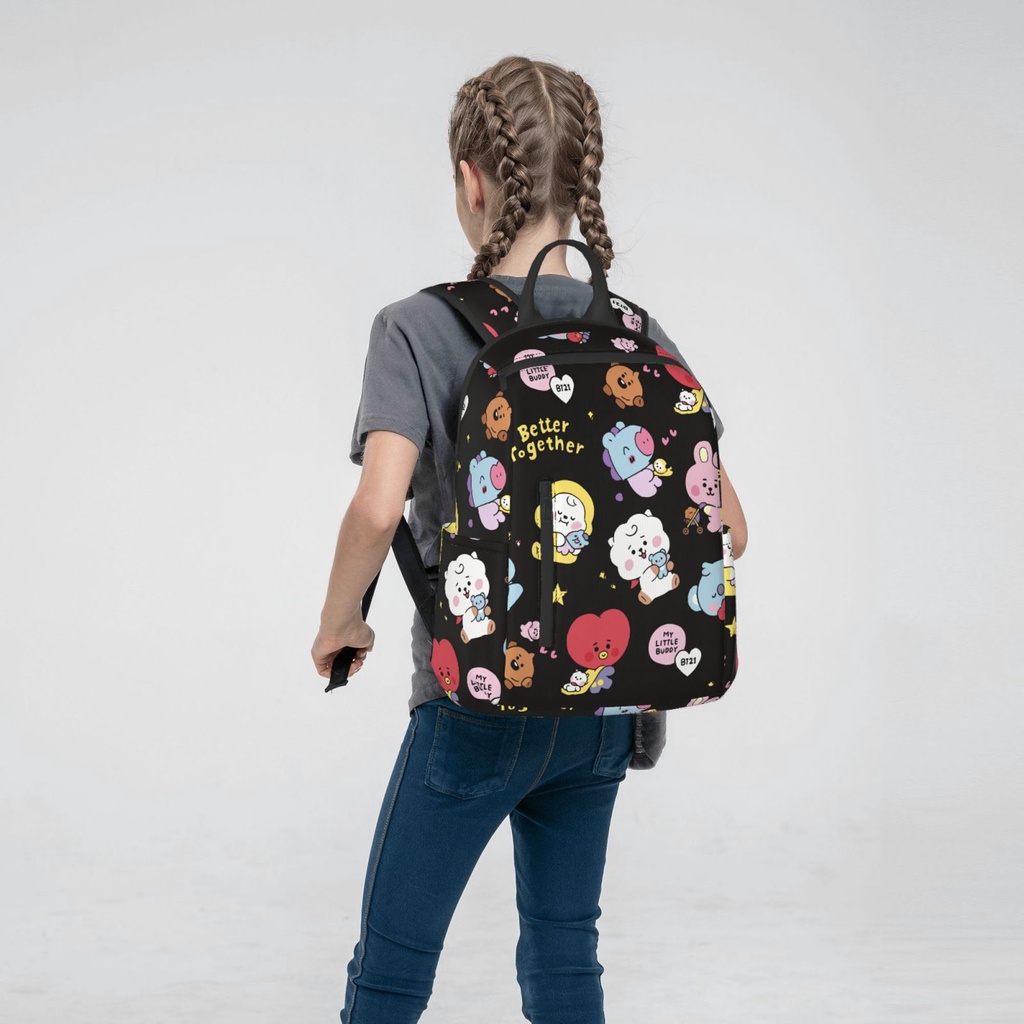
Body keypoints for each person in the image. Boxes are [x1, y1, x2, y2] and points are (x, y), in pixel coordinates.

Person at [311, 55, 748, 1024]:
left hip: (472, 704)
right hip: (605, 711)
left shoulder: (416, 327)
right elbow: (731, 528)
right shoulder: (634, 332)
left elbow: (377, 511)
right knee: (564, 956)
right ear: (583, 181)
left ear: (471, 179)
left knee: (390, 972)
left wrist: (342, 622)